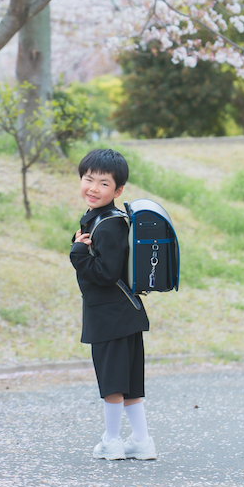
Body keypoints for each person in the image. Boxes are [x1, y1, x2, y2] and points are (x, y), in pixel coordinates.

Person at [70, 147, 156, 460]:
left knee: (112, 382)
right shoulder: (108, 219)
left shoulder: (107, 225)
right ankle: (142, 442)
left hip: (110, 316)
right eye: (88, 179)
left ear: (118, 190)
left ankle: (112, 440)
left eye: (103, 183)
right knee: (130, 382)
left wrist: (78, 255)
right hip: (125, 313)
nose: (93, 188)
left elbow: (105, 274)